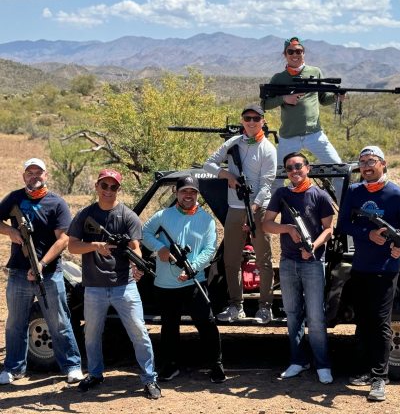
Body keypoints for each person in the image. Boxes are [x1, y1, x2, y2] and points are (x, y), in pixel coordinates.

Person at [67, 168, 160, 400]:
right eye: (105, 186)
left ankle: (150, 379)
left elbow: (134, 246)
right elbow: (72, 247)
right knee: (91, 334)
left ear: (119, 189)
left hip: (124, 285)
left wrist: (137, 265)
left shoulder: (127, 216)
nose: (109, 191)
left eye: (114, 187)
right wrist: (96, 246)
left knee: (139, 332)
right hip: (94, 286)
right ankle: (96, 374)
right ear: (97, 187)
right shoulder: (85, 215)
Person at [337, 146, 400, 402]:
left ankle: (380, 378)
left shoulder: (397, 195)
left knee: (381, 323)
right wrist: (366, 233)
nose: (366, 167)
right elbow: (343, 225)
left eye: (371, 161)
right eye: (362, 162)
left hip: (385, 270)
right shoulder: (355, 192)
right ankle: (364, 371)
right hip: (360, 267)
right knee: (363, 320)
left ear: (383, 164)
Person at [0, 158, 83, 385]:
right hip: (18, 272)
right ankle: (13, 368)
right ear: (24, 176)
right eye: (30, 172)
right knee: (15, 323)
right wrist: (11, 232)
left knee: (58, 322)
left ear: (46, 176)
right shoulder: (14, 198)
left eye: (39, 172)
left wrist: (42, 264)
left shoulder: (56, 203)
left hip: (50, 273)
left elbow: (64, 239)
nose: (34, 176)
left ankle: (72, 366)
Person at [142, 175, 226, 384]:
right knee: (169, 327)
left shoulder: (206, 220)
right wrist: (160, 248)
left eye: (193, 192)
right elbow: (145, 233)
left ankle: (216, 365)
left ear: (198, 195)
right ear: (176, 193)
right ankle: (170, 366)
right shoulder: (162, 215)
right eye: (184, 191)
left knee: (206, 323)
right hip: (165, 284)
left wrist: (193, 268)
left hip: (193, 281)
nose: (188, 195)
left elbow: (209, 249)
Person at [262, 152, 334, 384]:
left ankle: (323, 365)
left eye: (298, 166)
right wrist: (289, 229)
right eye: (289, 168)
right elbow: (266, 224)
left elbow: (329, 230)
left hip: (312, 262)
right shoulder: (281, 194)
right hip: (288, 262)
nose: (294, 171)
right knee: (292, 315)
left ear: (307, 168)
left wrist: (312, 246)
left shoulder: (320, 196)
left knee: (315, 317)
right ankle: (297, 361)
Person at [204, 104, 277, 324]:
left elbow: (267, 184)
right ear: (242, 120)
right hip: (234, 209)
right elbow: (209, 164)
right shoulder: (233, 143)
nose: (252, 122)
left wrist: (253, 209)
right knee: (231, 260)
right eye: (247, 118)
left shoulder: (268, 149)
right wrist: (228, 176)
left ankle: (266, 307)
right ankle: (236, 305)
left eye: (256, 118)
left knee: (263, 260)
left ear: (263, 121)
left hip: (258, 209)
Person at [260, 36, 344, 203]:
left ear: (303, 53)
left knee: (339, 170)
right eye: (291, 52)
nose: (295, 54)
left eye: (298, 51)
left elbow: (324, 98)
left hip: (315, 134)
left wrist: (337, 97)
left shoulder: (315, 72)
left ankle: (346, 215)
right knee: (276, 177)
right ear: (285, 54)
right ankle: (266, 216)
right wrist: (284, 99)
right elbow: (265, 104)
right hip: (288, 137)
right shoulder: (279, 78)